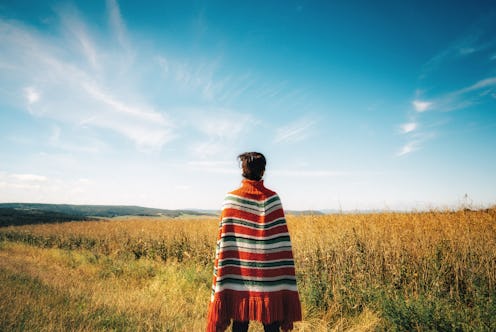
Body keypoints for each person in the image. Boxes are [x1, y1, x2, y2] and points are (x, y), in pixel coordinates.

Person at [206, 152, 302, 332]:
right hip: (269, 279)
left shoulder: (231, 199)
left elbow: (223, 245)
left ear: (243, 171)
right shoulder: (273, 199)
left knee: (240, 322)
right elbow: (282, 246)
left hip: (239, 278)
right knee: (271, 321)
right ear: (263, 171)